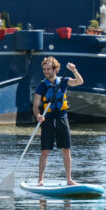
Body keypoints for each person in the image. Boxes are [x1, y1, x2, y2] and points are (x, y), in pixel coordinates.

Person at [32, 58, 84, 186]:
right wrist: (38, 115)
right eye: (44, 69)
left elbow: (79, 81)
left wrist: (74, 70)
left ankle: (69, 179)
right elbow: (35, 104)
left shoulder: (64, 82)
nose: (46, 71)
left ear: (55, 69)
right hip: (48, 119)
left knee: (66, 150)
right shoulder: (41, 85)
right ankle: (40, 180)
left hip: (62, 118)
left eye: (48, 69)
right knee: (45, 151)